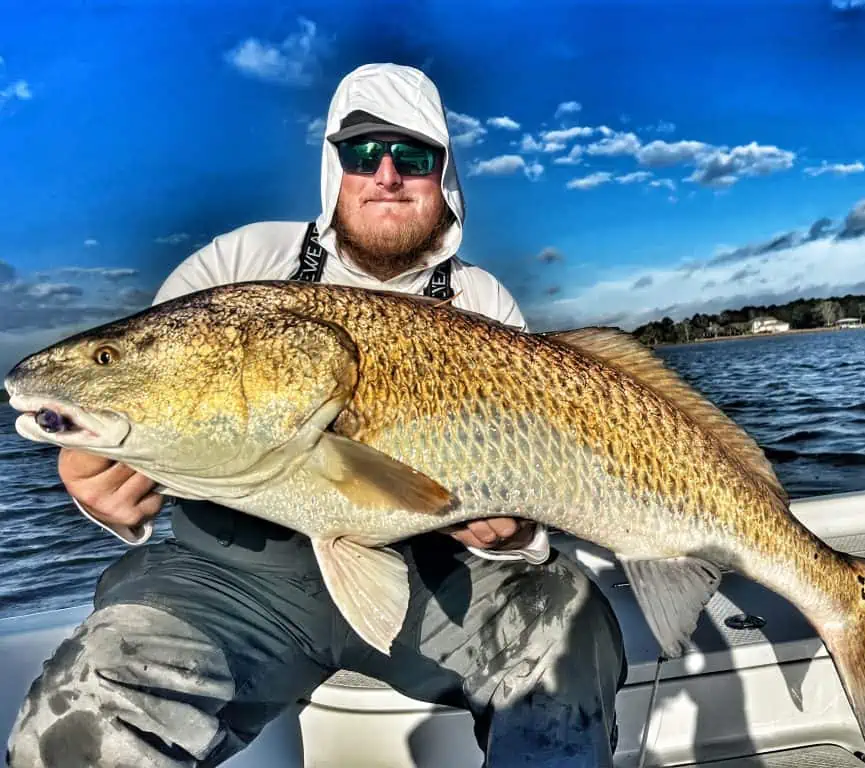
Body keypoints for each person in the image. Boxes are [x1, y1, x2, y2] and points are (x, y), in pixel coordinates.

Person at [6, 62, 626, 768]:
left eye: (413, 156)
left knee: (571, 632)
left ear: (445, 176)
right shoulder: (235, 264)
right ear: (335, 168)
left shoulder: (485, 304)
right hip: (231, 586)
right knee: (85, 708)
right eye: (362, 153)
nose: (386, 174)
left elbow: (532, 484)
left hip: (437, 583)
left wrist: (513, 532)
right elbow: (149, 423)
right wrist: (103, 490)